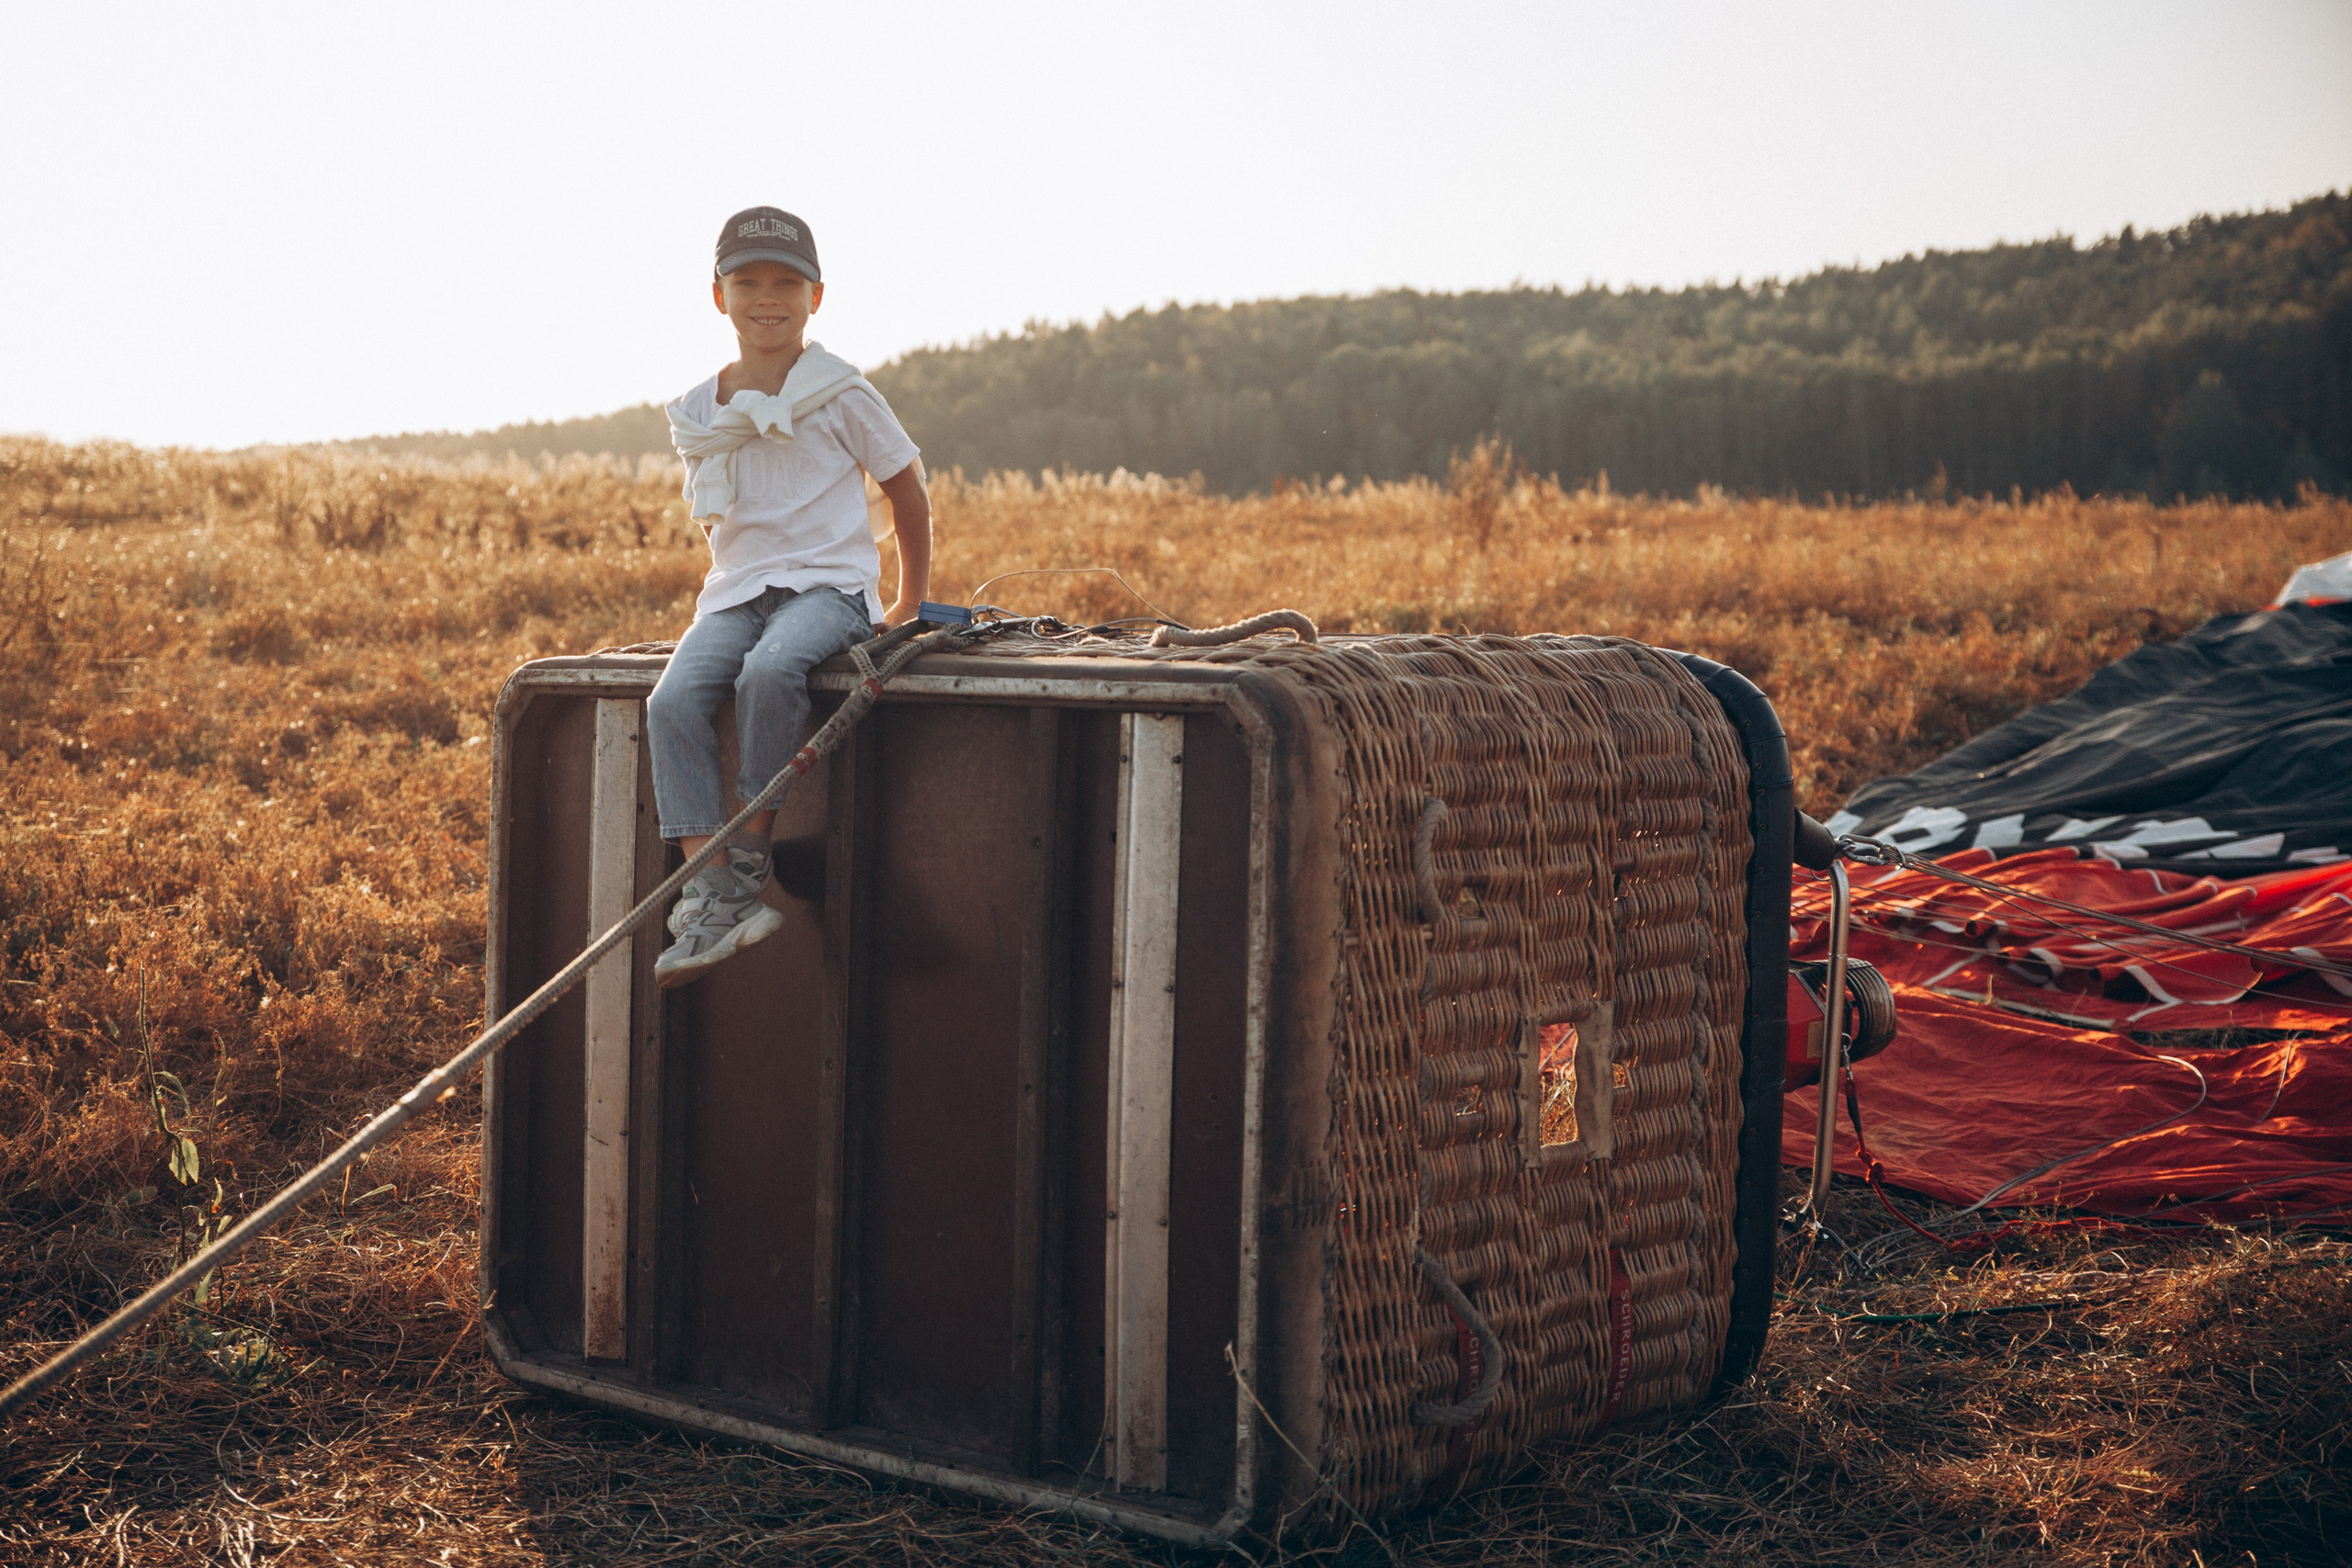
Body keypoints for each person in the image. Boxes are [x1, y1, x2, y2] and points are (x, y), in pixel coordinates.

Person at [646, 205, 932, 987]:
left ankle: (745, 863)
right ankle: (706, 892)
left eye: (785, 283)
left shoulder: (842, 393)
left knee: (770, 673)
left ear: (816, 297)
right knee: (669, 703)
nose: (766, 297)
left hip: (829, 591)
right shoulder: (703, 409)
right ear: (719, 297)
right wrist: (737, 575)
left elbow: (908, 489)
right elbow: (714, 502)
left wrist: (906, 603)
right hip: (735, 593)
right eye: (747, 282)